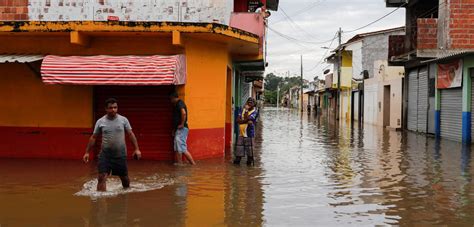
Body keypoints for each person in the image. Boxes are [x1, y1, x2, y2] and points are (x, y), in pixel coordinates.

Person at [83, 98, 141, 191]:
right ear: (106, 109)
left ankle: (125, 195)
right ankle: (101, 200)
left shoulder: (123, 120)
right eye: (110, 108)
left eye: (115, 107)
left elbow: (130, 134)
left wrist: (137, 149)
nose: (113, 109)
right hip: (105, 155)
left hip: (120, 155)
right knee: (101, 177)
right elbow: (93, 137)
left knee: (124, 178)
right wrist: (87, 152)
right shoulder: (100, 121)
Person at [170, 92, 196, 165]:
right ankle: (179, 164)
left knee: (182, 148)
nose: (170, 101)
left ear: (173, 98)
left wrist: (182, 124)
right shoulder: (177, 104)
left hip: (182, 129)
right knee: (177, 148)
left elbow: (183, 113)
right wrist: (174, 130)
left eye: (171, 99)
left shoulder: (179, 103)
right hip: (178, 130)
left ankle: (193, 164)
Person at [234, 97, 258, 166]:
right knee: (238, 153)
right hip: (241, 134)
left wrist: (246, 111)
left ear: (254, 104)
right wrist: (245, 121)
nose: (249, 104)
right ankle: (236, 168)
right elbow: (237, 120)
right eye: (248, 103)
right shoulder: (242, 110)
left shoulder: (255, 112)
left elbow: (248, 118)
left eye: (251, 103)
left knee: (250, 154)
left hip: (249, 135)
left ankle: (249, 168)